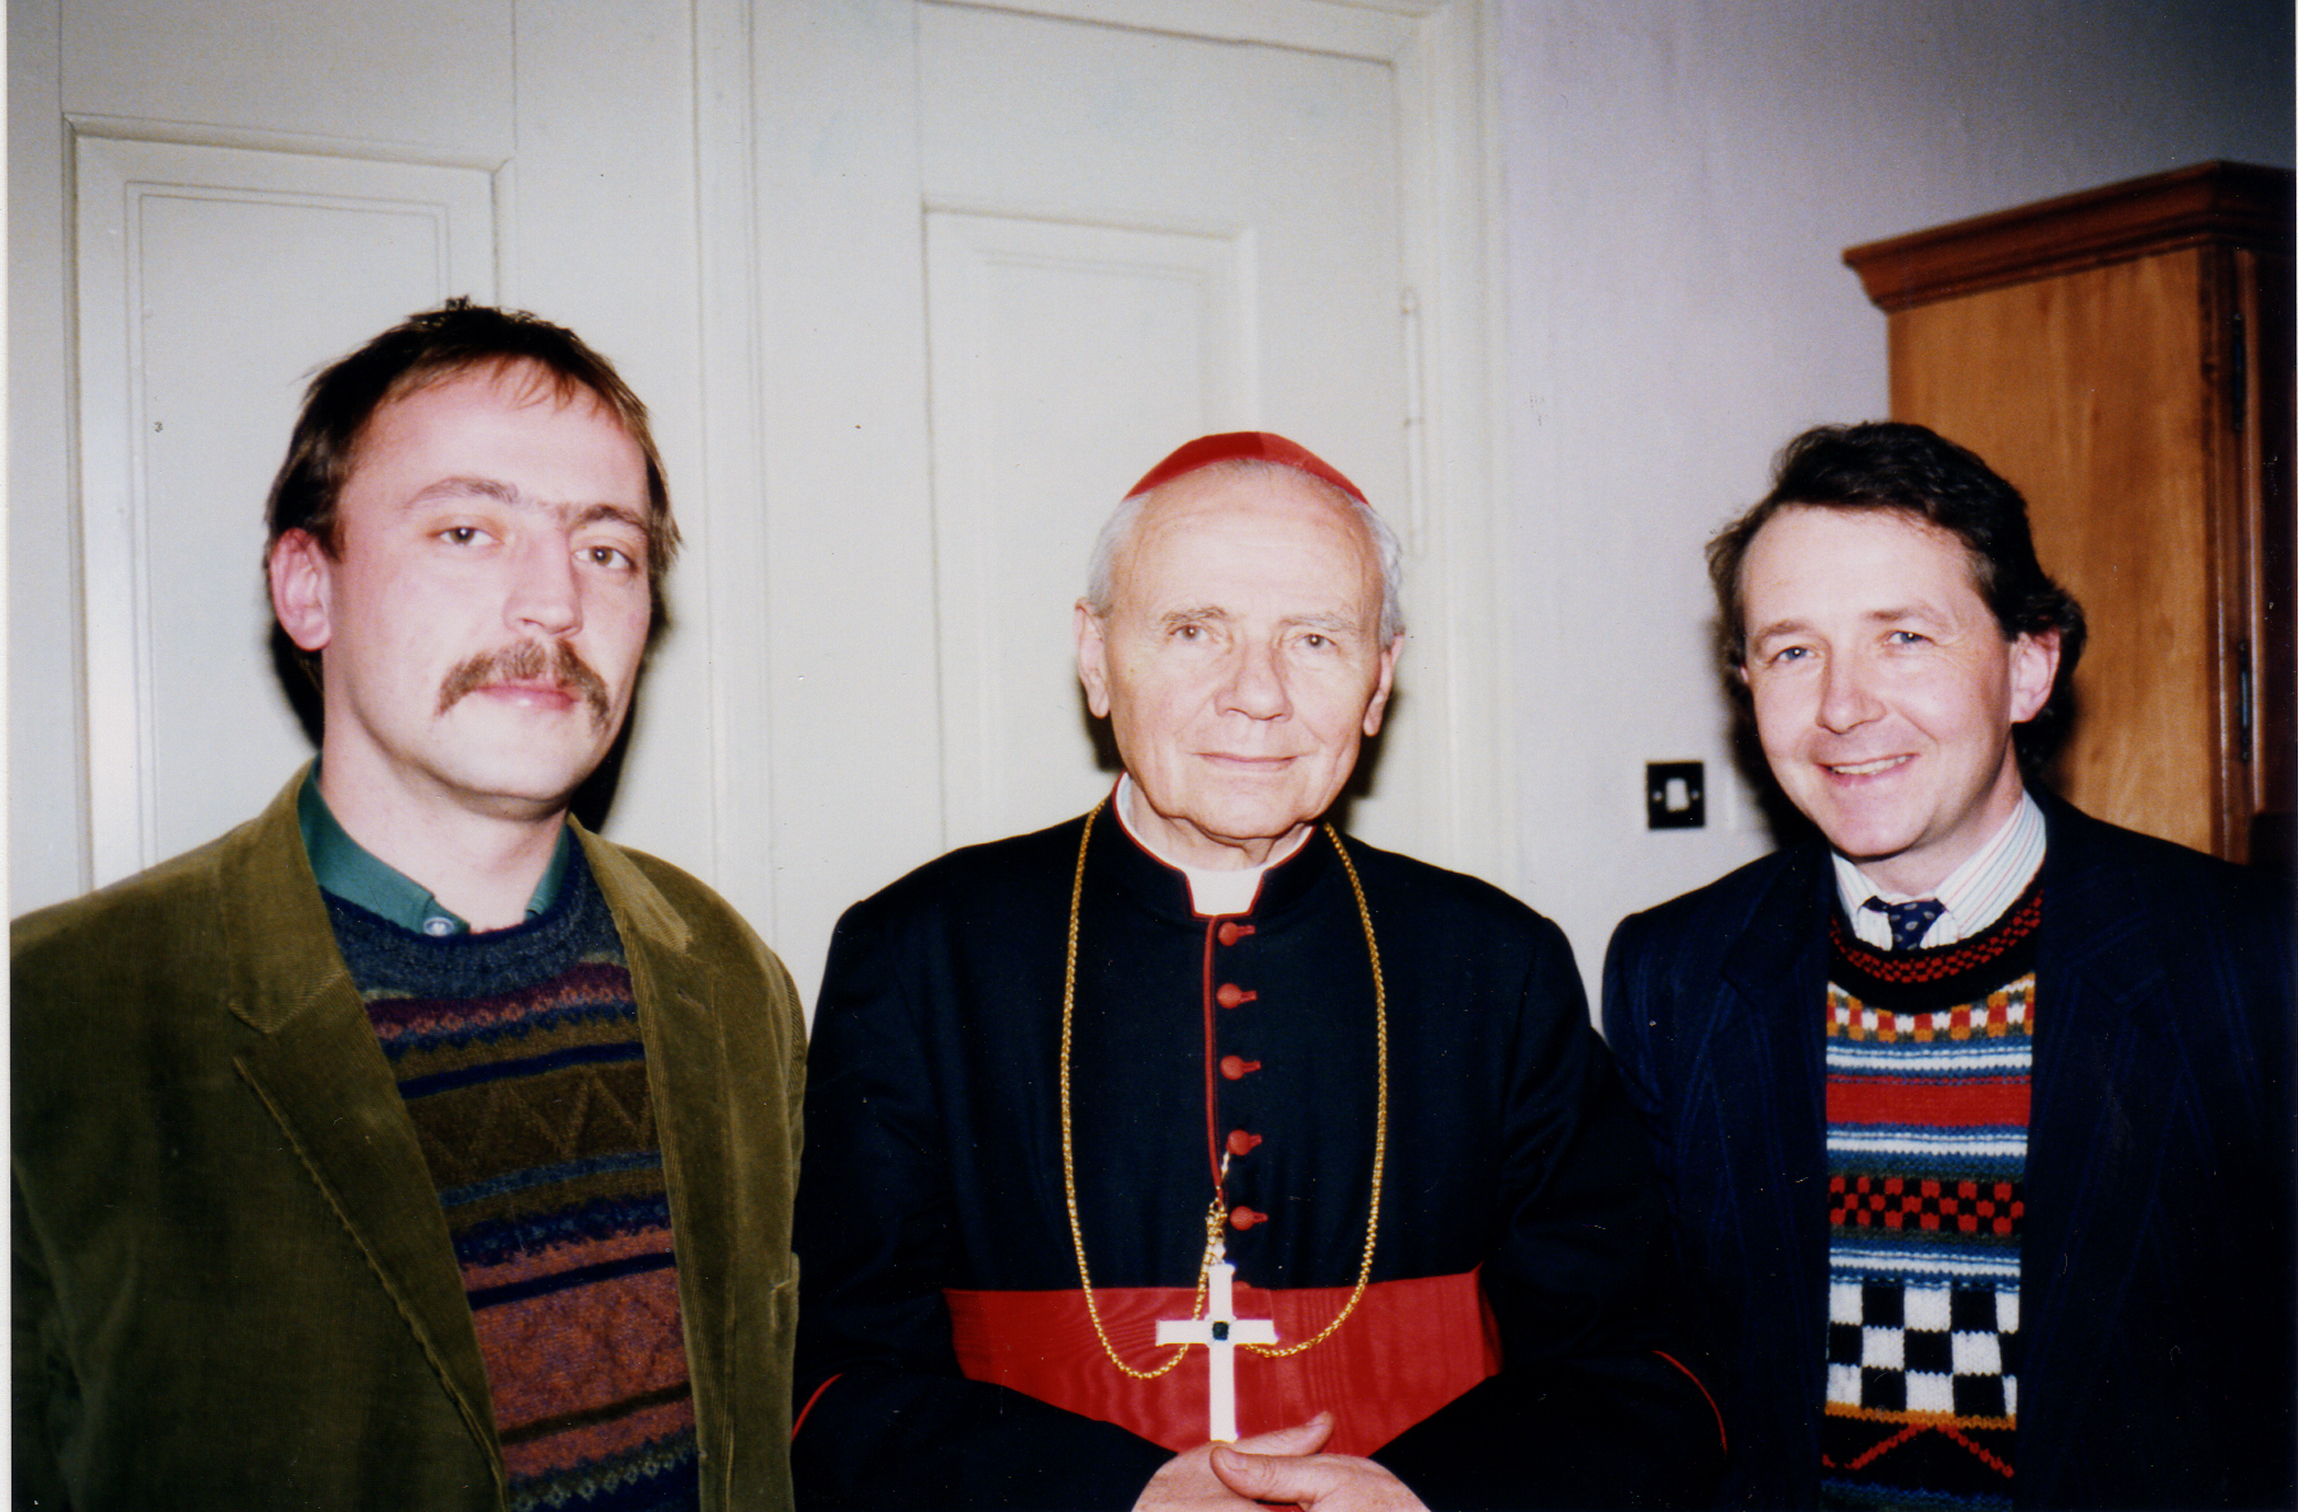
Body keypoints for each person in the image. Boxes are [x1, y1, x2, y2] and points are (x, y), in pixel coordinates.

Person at [791, 431, 1724, 1511]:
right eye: (1195, 631)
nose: (1258, 695)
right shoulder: (920, 953)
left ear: (1381, 678)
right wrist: (1116, 1498)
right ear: (1095, 656)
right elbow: (842, 1389)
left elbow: (1645, 1371)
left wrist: (1421, 1496)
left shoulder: (1496, 964)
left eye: (1317, 640)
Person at [13, 301, 807, 1511]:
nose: (555, 603)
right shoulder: (56, 1017)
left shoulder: (728, 974)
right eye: (468, 530)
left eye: (608, 549)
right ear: (307, 586)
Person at [1603, 421, 2295, 1509]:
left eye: (1904, 638)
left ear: (2029, 666)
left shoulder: (2249, 959)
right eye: (1793, 650)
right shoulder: (1673, 974)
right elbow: (1649, 1364)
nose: (1841, 707)